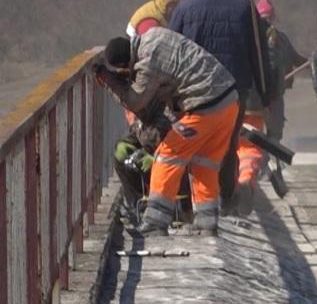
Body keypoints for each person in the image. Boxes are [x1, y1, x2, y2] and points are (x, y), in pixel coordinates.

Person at [94, 28, 239, 235]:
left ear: (126, 64)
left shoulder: (146, 63)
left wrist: (110, 81)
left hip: (204, 104)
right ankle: (207, 222)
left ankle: (155, 221)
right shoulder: (154, 35)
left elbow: (135, 101)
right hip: (228, 100)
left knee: (167, 155)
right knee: (204, 162)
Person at [169, 0, 266, 212]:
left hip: (194, 90)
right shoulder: (244, 6)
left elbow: (172, 51)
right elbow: (258, 51)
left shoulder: (184, 8)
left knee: (192, 142)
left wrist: (171, 93)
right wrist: (263, 89)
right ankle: (227, 197)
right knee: (228, 143)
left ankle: (192, 202)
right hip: (235, 89)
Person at [256, 0, 307, 144]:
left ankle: (271, 152)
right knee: (256, 133)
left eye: (269, 18)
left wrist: (313, 62)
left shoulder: (281, 39)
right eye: (264, 18)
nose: (267, 22)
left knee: (275, 133)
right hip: (258, 97)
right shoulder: (253, 40)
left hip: (275, 95)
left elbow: (295, 58)